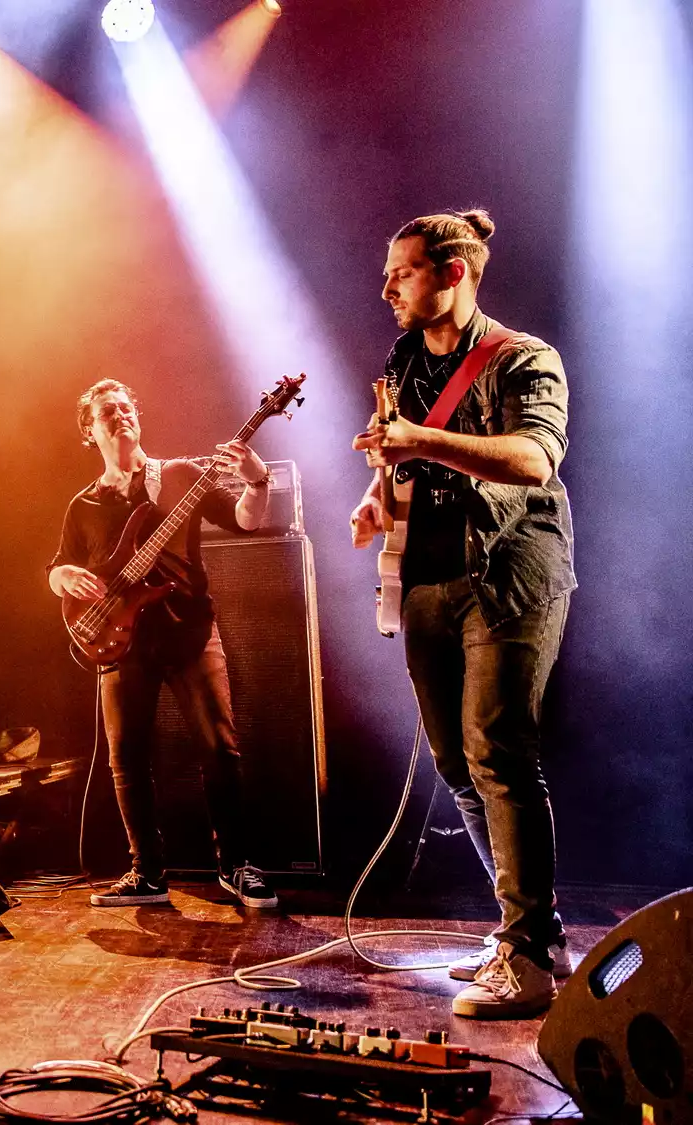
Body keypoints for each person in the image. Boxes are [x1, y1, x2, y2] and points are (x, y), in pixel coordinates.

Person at [352, 209, 575, 1020]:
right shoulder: (405, 358)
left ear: (454, 273)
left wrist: (417, 439)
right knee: (456, 764)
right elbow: (401, 453)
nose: (386, 289)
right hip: (425, 579)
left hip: (510, 576)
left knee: (499, 753)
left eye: (402, 273)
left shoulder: (522, 358)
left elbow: (533, 457)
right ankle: (532, 932)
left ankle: (526, 955)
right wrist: (377, 497)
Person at [47, 380, 276, 910]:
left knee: (220, 747)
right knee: (126, 757)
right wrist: (62, 578)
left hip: (190, 631)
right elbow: (59, 564)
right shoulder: (83, 504)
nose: (121, 416)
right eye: (109, 412)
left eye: (128, 408)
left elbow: (247, 520)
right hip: (120, 638)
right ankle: (146, 873)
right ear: (90, 431)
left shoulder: (179, 476)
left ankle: (236, 866)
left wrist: (256, 478)